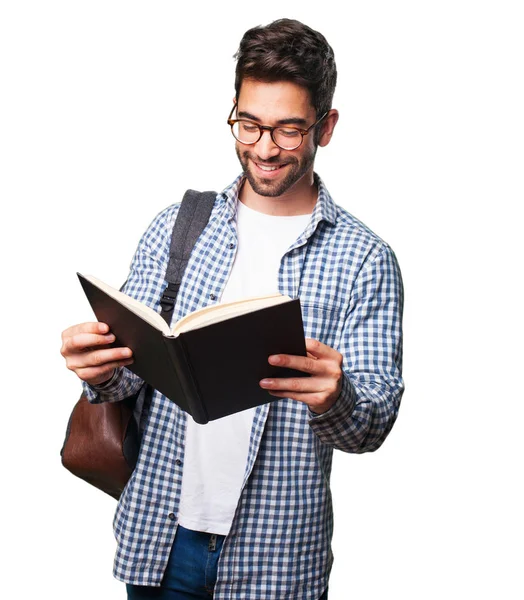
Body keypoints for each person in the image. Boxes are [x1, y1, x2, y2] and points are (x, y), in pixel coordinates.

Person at [60, 18, 404, 600]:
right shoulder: (178, 227)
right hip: (160, 544)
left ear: (327, 126)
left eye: (289, 130)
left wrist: (336, 397)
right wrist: (99, 368)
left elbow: (371, 425)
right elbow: (127, 378)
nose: (265, 149)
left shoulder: (365, 259)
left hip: (277, 561)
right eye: (248, 124)